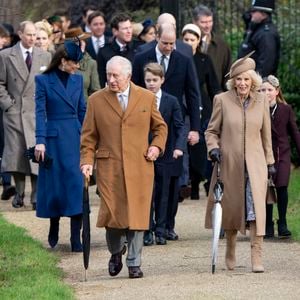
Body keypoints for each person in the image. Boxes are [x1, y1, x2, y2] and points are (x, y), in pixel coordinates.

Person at [80, 56, 167, 278]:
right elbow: (88, 138)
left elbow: (160, 127)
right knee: (113, 216)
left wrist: (156, 147)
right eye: (108, 74)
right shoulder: (96, 100)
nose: (111, 80)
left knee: (137, 215)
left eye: (115, 75)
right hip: (109, 167)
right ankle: (116, 251)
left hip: (140, 164)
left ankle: (134, 262)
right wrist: (87, 162)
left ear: (128, 76)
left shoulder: (146, 98)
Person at [205, 55, 275, 273]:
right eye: (238, 79)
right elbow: (211, 131)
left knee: (257, 210)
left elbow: (266, 135)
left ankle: (257, 256)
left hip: (255, 164)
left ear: (252, 80)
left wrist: (270, 161)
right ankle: (231, 249)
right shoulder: (222, 100)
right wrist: (213, 148)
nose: (242, 83)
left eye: (246, 79)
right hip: (229, 164)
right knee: (232, 209)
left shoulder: (261, 101)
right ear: (232, 81)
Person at [34, 41, 86, 252]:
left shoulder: (78, 80)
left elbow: (82, 109)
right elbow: (39, 112)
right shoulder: (43, 80)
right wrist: (40, 140)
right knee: (55, 186)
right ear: (63, 61)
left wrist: (88, 138)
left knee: (76, 185)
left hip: (74, 137)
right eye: (75, 63)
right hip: (53, 139)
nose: (77, 67)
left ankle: (76, 237)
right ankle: (54, 225)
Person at [0, 21, 51, 209]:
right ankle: (20, 192)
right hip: (15, 113)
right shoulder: (5, 56)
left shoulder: (45, 56)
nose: (32, 38)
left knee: (37, 152)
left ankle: (36, 195)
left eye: (35, 35)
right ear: (20, 34)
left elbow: (49, 83)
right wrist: (8, 105)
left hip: (37, 113)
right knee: (17, 155)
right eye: (29, 34)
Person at [143, 63, 185, 246]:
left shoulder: (171, 101)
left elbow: (179, 125)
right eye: (148, 80)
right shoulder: (140, 99)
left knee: (163, 193)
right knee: (146, 194)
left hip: (166, 154)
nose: (151, 84)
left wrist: (178, 146)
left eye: (154, 80)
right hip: (144, 153)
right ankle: (146, 229)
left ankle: (161, 229)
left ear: (162, 80)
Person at [181, 23, 221, 199]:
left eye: (192, 39)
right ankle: (185, 183)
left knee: (198, 146)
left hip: (202, 106)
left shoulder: (204, 59)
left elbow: (214, 86)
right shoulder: (177, 58)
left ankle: (197, 182)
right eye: (186, 39)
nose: (189, 42)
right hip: (181, 105)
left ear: (198, 41)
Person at [260, 75, 300, 238]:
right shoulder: (255, 109)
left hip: (282, 154)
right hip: (262, 154)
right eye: (262, 90)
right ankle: (268, 223)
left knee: (282, 186)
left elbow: (294, 132)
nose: (266, 93)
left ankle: (282, 222)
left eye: (269, 90)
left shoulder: (286, 109)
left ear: (277, 91)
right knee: (265, 188)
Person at [192, 4, 232, 91]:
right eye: (203, 22)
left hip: (214, 98)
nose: (208, 26)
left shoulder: (222, 46)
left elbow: (228, 74)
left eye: (210, 21)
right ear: (194, 22)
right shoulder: (185, 44)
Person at [238, 0, 280, 77]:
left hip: (259, 84)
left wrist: (255, 83)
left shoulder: (266, 34)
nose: (251, 13)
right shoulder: (257, 29)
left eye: (254, 11)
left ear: (263, 14)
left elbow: (265, 64)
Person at [97, 12, 140, 88]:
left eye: (130, 27)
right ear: (115, 31)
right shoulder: (104, 51)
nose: (129, 31)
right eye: (125, 28)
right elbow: (101, 79)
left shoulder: (140, 48)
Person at [65, 27, 100, 100]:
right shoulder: (60, 62)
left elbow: (95, 91)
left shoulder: (91, 63)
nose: (80, 44)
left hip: (84, 107)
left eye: (82, 41)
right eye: (75, 43)